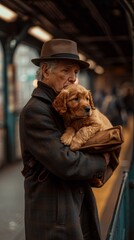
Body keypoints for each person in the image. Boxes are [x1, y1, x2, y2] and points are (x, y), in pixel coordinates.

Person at [19, 39, 112, 240]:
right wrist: (101, 161)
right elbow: (66, 162)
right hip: (53, 218)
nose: (72, 78)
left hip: (70, 207)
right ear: (45, 71)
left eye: (76, 73)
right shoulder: (36, 111)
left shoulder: (64, 107)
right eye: (66, 71)